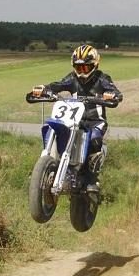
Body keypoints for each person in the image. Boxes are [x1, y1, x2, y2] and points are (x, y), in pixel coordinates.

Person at [31, 44, 123, 193]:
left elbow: (115, 91)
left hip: (95, 121)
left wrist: (112, 95)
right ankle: (45, 168)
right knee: (56, 130)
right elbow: (58, 85)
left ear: (95, 65)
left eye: (85, 67)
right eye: (78, 67)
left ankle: (92, 178)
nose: (81, 72)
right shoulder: (72, 78)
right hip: (74, 120)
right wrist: (44, 88)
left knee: (94, 138)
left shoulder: (102, 79)